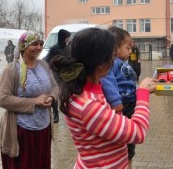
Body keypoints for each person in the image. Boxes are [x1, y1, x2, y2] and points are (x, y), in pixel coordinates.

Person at [49, 27, 156, 169]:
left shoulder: (84, 88)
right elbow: (138, 132)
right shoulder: (88, 105)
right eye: (113, 56)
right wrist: (143, 93)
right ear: (100, 65)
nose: (115, 60)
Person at [0, 32, 59, 169]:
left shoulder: (44, 66)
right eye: (34, 44)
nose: (39, 47)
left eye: (41, 44)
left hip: (43, 127)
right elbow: (2, 99)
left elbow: (55, 87)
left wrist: (52, 97)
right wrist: (34, 101)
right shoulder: (12, 70)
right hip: (21, 130)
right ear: (24, 46)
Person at [100, 26, 140, 167]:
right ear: (115, 48)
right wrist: (115, 99)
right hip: (122, 104)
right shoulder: (111, 63)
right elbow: (107, 80)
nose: (130, 51)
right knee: (128, 138)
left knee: (130, 141)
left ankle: (128, 158)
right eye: (127, 48)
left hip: (130, 102)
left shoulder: (122, 62)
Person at [44, 28, 71, 123]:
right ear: (62, 37)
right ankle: (56, 114)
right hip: (56, 74)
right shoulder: (54, 48)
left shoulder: (68, 48)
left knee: (66, 93)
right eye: (67, 37)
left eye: (69, 37)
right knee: (56, 93)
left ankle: (68, 111)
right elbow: (46, 59)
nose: (68, 39)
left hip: (66, 75)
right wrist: (45, 67)